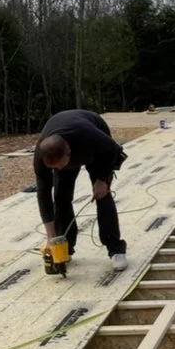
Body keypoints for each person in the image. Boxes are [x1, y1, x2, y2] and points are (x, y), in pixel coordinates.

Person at [33, 109, 129, 271]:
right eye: (54, 167)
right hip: (65, 145)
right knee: (61, 197)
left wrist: (103, 179)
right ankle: (65, 247)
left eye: (61, 165)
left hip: (97, 151)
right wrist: (51, 237)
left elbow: (114, 151)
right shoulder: (41, 158)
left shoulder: (90, 136)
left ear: (69, 152)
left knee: (102, 196)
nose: (59, 169)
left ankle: (115, 249)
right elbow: (43, 195)